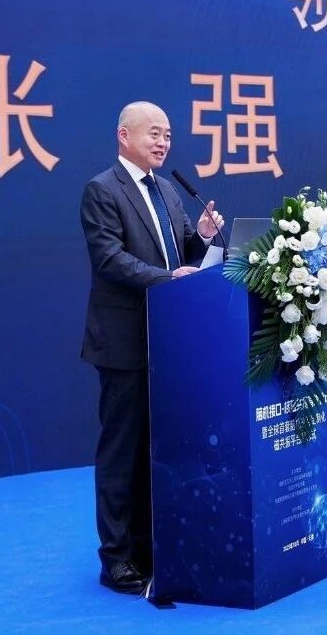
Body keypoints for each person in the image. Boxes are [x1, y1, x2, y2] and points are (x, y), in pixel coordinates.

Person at [79, 101, 224, 595]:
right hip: (124, 342)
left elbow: (184, 251)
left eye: (167, 135)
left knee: (158, 450)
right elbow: (110, 260)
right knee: (123, 452)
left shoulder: (168, 190)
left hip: (169, 341)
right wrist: (167, 279)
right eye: (154, 134)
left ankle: (150, 546)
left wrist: (203, 237)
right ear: (124, 136)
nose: (163, 143)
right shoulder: (102, 190)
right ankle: (117, 558)